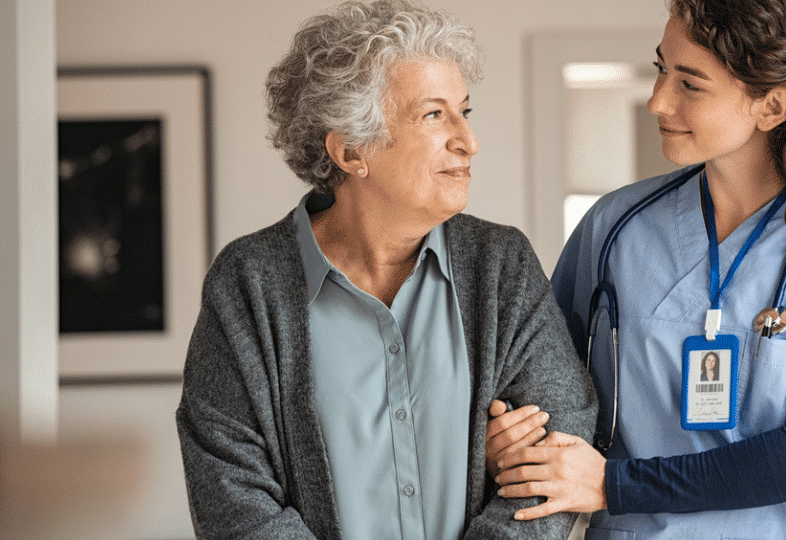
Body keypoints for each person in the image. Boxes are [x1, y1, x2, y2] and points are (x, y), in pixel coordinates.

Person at [484, 0, 786, 538]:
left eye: (690, 84)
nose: (657, 100)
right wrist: (512, 435)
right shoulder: (614, 228)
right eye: (660, 70)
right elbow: (545, 391)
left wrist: (614, 485)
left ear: (772, 106)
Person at [174, 1, 597, 539]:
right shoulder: (248, 283)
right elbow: (230, 491)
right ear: (351, 150)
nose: (468, 141)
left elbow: (558, 446)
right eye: (433, 114)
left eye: (464, 111)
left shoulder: (500, 266)